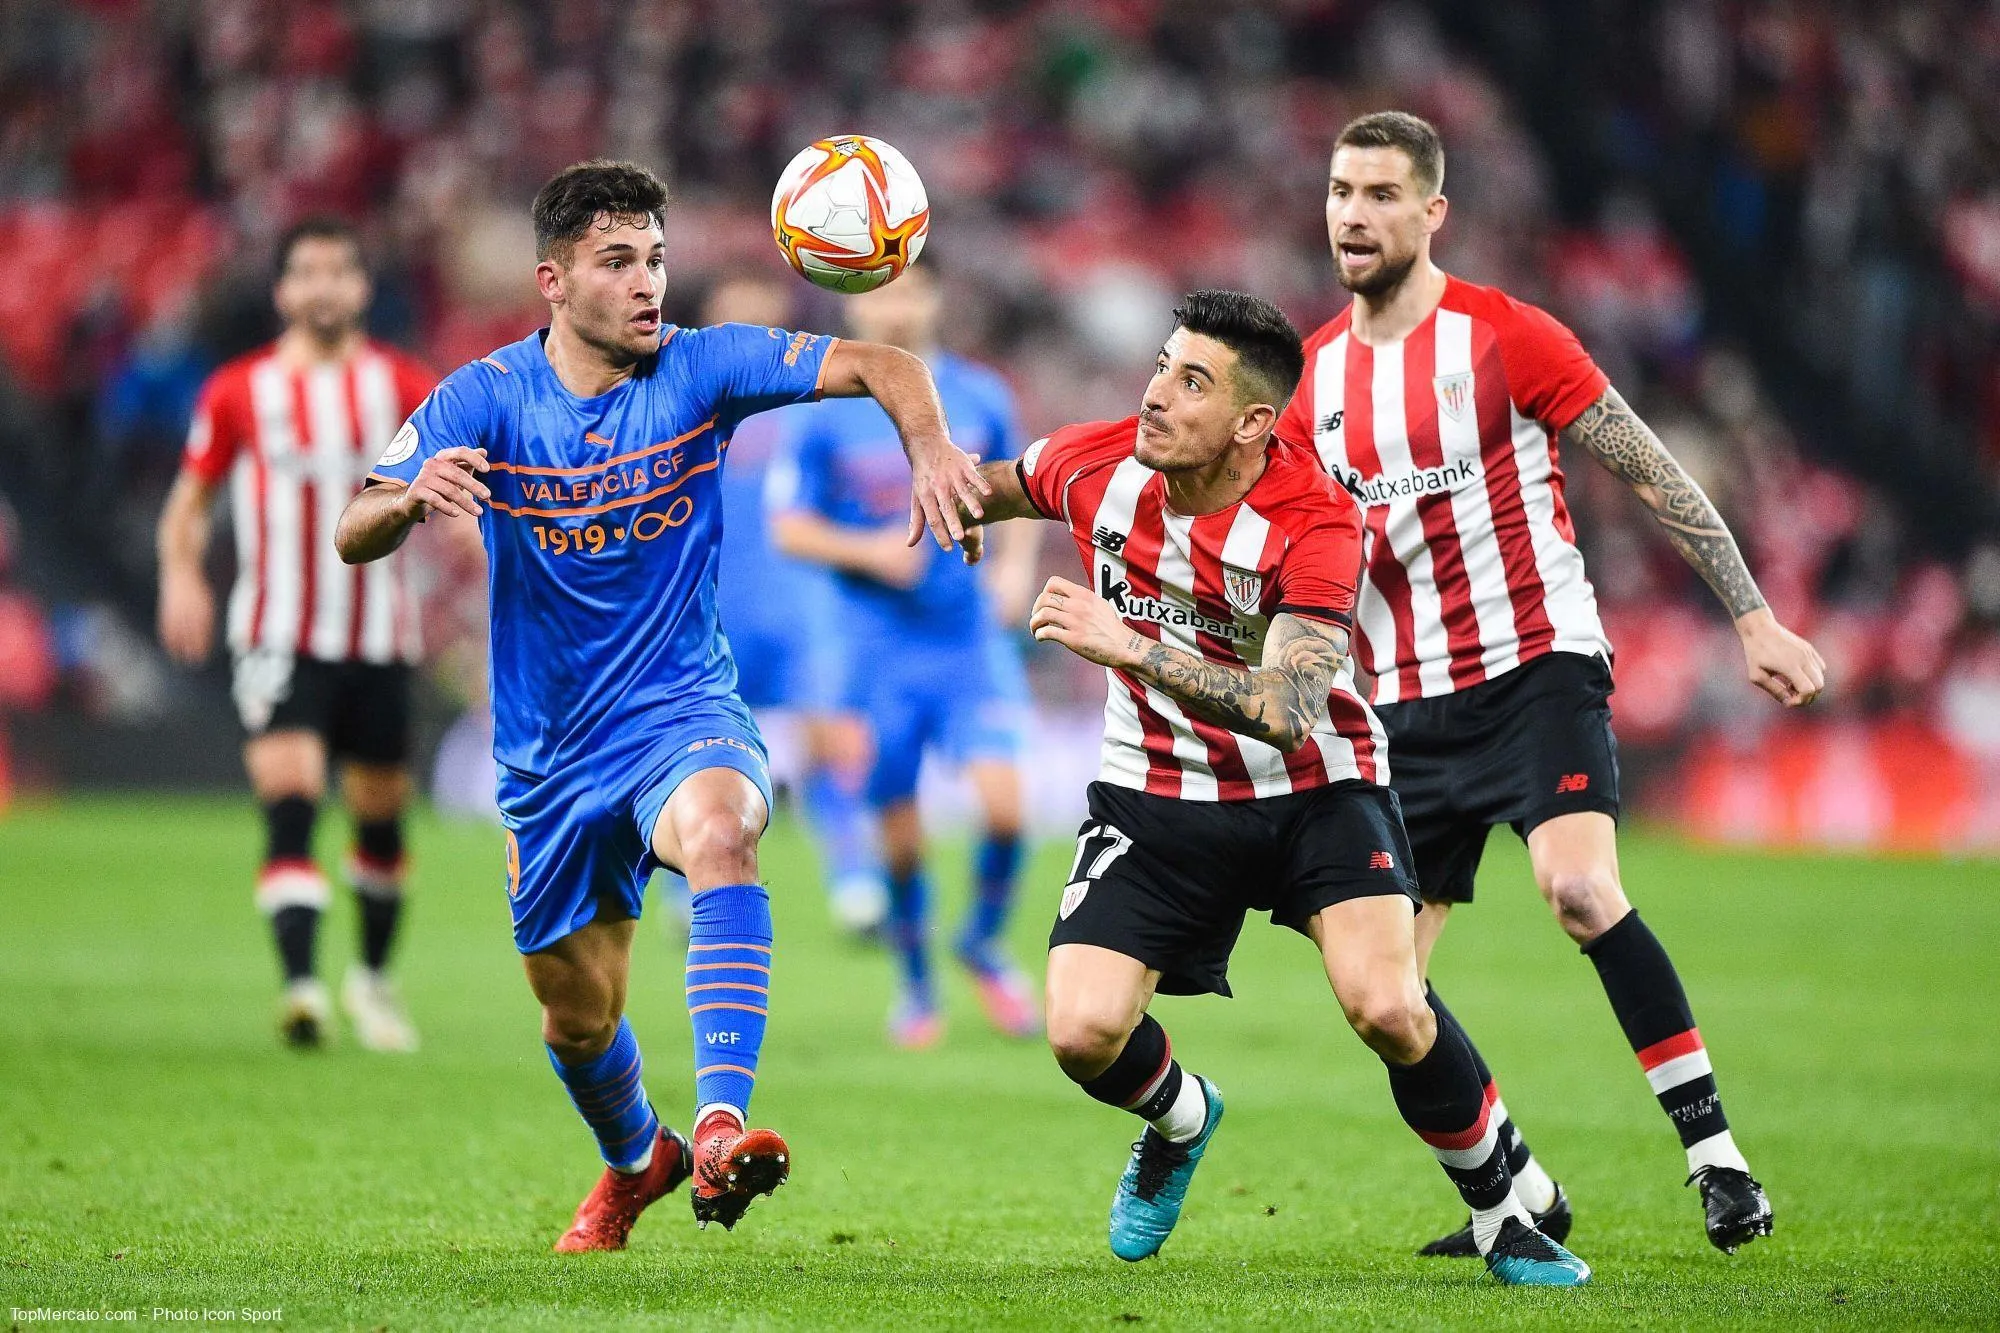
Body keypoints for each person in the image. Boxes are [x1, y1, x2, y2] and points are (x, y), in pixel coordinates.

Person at [334, 160, 987, 1252]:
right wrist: (406, 497)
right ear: (552, 280)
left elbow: (884, 359)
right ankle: (641, 1158)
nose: (648, 284)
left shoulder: (703, 367)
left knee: (725, 832)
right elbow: (354, 526)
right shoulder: (484, 395)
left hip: (681, 710)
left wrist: (928, 449)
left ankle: (720, 1127)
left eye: (656, 259)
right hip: (545, 753)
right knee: (575, 1015)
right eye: (618, 263)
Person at [953, 289, 1591, 1285]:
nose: (1154, 395)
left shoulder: (1317, 519)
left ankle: (1502, 1216)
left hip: (1313, 790)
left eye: (1190, 382)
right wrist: (926, 483)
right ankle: (1181, 1118)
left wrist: (1129, 644)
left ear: (1254, 422)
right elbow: (985, 486)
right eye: (1161, 365)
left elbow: (1290, 705)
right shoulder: (1094, 463)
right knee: (1080, 1033)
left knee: (1386, 1005)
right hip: (1157, 792)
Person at [1274, 111, 1827, 1256]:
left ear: (1431, 213)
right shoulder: (1313, 377)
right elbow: (1280, 544)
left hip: (1535, 664)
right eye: (1339, 190)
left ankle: (1715, 1160)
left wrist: (1751, 612)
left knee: (1576, 888)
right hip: (1399, 705)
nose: (1351, 213)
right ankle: (1516, 1189)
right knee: (1383, 998)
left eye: (1380, 194)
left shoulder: (1505, 335)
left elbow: (1644, 464)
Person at [156, 216, 437, 1052]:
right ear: (283, 291)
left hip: (384, 634)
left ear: (361, 288)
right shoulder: (239, 389)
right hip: (279, 632)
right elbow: (190, 504)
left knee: (380, 820)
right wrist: (180, 575)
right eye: (306, 272)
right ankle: (303, 987)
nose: (323, 287)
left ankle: (374, 982)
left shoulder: (406, 384)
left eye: (339, 271)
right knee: (291, 799)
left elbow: (462, 484)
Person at [770, 261, 1042, 1047]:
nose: (898, 306)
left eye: (910, 290)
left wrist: (1016, 571)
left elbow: (1021, 489)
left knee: (1005, 808)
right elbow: (788, 525)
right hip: (876, 649)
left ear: (934, 298)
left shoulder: (982, 394)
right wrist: (869, 550)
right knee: (899, 831)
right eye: (881, 294)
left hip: (966, 640)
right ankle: (917, 985)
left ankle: (982, 941)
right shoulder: (825, 409)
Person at [691, 272, 886, 938]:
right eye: (733, 311)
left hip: (803, 607)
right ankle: (678, 889)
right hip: (711, 607)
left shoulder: (814, 404)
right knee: (694, 748)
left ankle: (855, 879)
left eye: (761, 309)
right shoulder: (684, 404)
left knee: (833, 739)